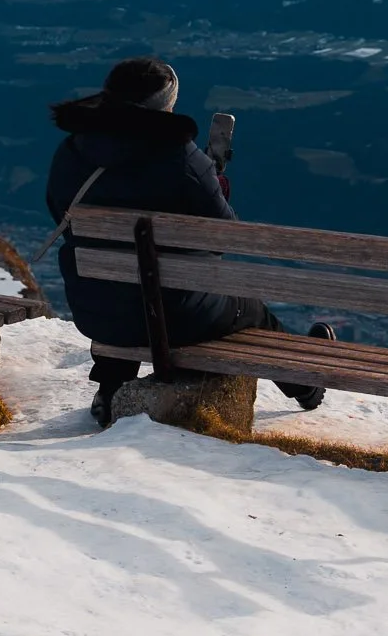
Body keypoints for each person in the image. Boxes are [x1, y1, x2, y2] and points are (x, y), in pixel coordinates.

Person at [45, 56, 328, 426]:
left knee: (124, 281)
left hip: (94, 308)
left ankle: (111, 387)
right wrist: (216, 186)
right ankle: (305, 385)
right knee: (253, 309)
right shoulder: (180, 158)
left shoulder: (73, 150)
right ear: (164, 104)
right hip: (176, 319)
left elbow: (59, 214)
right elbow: (224, 236)